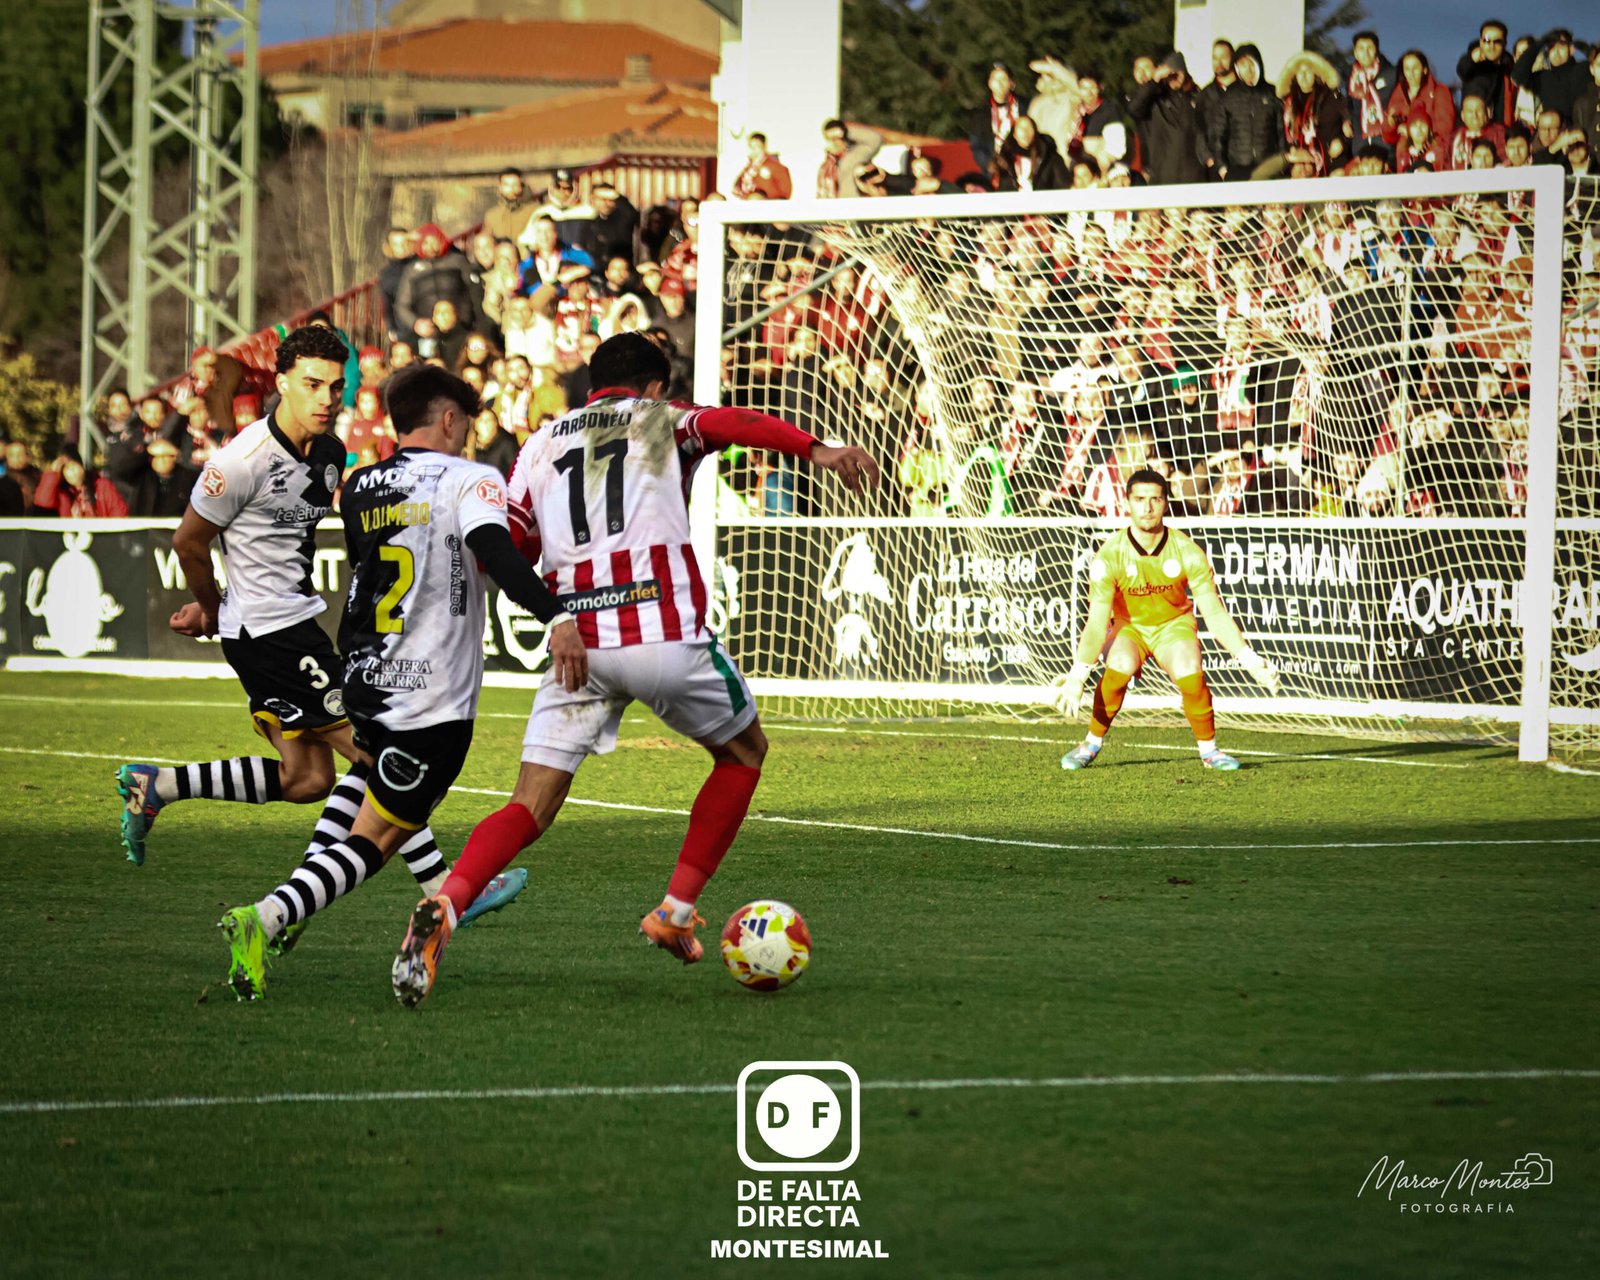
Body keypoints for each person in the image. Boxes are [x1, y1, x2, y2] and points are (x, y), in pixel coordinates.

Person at [387, 332, 882, 1008]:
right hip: (660, 632)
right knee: (743, 754)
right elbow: (734, 422)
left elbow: (514, 543)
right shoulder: (661, 418)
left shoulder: (540, 443)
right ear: (653, 386)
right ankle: (675, 910)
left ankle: (446, 903)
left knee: (528, 804)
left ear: (592, 383)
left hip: (578, 646)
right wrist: (818, 449)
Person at [115, 329, 523, 938]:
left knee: (307, 780)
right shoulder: (241, 461)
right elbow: (188, 542)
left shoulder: (329, 452)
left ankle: (162, 786)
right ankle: (442, 888)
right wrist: (213, 607)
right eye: (312, 384)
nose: (327, 398)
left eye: (336, 386)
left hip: (292, 624)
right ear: (281, 383)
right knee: (375, 749)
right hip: (269, 634)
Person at [215, 365, 585, 1000]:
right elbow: (495, 550)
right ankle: (269, 915)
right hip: (430, 699)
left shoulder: (361, 486)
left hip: (364, 676)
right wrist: (556, 616)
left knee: (363, 785)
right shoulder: (471, 478)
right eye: (466, 424)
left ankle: (295, 912)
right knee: (376, 841)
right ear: (449, 419)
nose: (468, 436)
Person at [1050, 468, 1280, 773]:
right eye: (1139, 499)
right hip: (1129, 626)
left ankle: (1210, 751)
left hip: (1173, 625)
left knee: (1190, 671)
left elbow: (1213, 612)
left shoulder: (1188, 552)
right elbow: (1096, 622)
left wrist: (1247, 657)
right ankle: (1091, 742)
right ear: (1127, 503)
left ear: (1166, 503)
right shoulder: (1109, 555)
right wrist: (1078, 675)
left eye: (1155, 499)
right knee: (1119, 665)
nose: (1147, 507)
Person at [733, 132, 793, 200]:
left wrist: (763, 198)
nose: (754, 150)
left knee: (755, 198)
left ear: (764, 147)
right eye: (751, 146)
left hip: (766, 204)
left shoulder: (775, 167)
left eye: (757, 146)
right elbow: (737, 189)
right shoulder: (748, 168)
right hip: (748, 203)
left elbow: (785, 194)